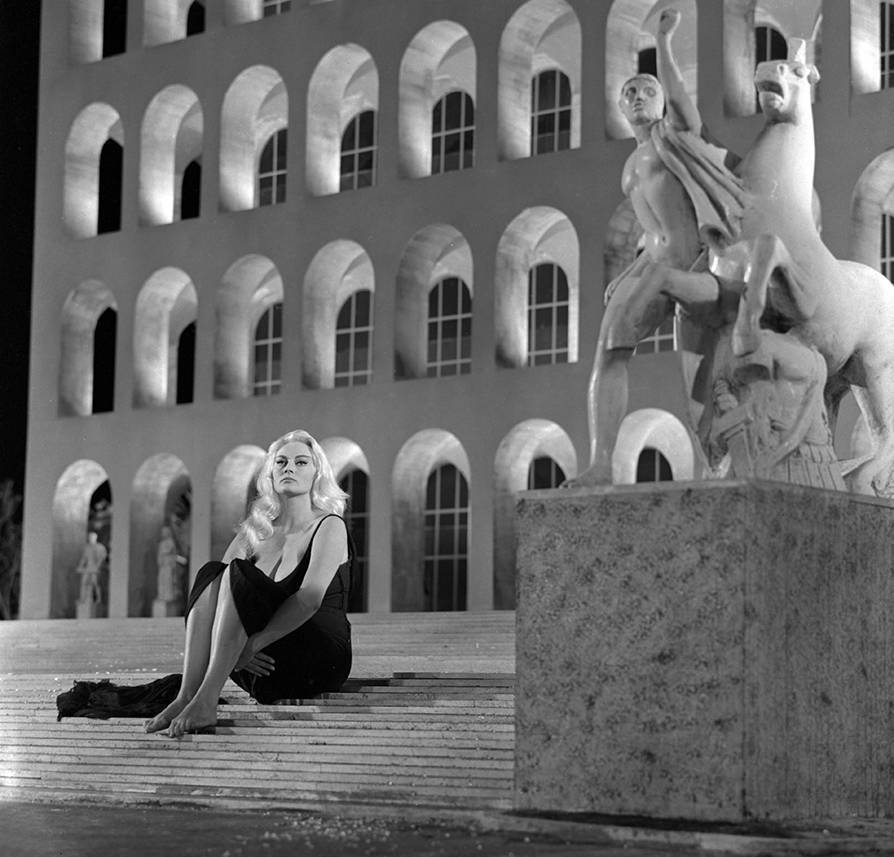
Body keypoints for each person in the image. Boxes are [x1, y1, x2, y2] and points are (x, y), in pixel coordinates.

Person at [572, 8, 744, 485]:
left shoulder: (677, 136)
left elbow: (684, 102)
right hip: (653, 269)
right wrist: (627, 275)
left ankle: (721, 467)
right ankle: (601, 463)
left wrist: (663, 43)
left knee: (700, 392)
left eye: (648, 90)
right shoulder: (630, 165)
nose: (638, 96)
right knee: (608, 350)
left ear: (663, 101)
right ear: (621, 108)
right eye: (630, 92)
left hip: (695, 269)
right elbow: (652, 235)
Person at [145, 429, 353, 738]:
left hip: (314, 657)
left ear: (317, 473)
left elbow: (309, 599)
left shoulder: (329, 525)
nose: (289, 468)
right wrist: (244, 649)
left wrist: (252, 644)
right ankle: (188, 695)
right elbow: (219, 588)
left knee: (237, 573)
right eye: (281, 462)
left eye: (301, 462)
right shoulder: (256, 531)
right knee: (214, 572)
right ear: (270, 473)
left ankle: (207, 699)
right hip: (256, 664)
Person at [75, 531, 107, 605]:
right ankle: (82, 598)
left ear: (96, 538)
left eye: (92, 537)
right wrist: (80, 566)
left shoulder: (100, 547)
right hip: (88, 567)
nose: (91, 539)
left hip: (96, 568)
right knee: (84, 582)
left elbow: (102, 558)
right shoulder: (87, 548)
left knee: (95, 583)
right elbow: (84, 558)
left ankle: (98, 599)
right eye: (90, 537)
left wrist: (98, 566)